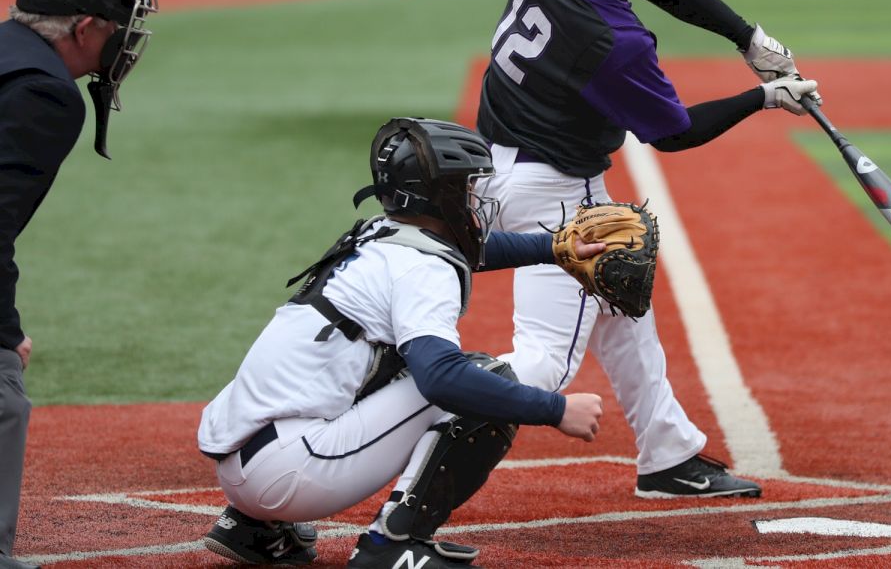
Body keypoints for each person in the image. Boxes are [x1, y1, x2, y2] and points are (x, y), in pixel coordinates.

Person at [475, 0, 820, 499]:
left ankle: (667, 453)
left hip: (493, 163)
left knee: (623, 305)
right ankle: (409, 411)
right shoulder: (614, 42)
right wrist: (765, 97)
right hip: (556, 191)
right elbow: (673, 133)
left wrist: (745, 36)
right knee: (543, 364)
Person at [197, 117, 607, 569]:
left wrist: (555, 248)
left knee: (392, 362)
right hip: (293, 472)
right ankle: (393, 542)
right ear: (443, 195)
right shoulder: (422, 270)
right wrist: (556, 410)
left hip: (244, 464)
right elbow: (442, 380)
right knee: (478, 379)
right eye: (469, 187)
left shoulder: (380, 233)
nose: (477, 198)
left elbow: (474, 250)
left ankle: (255, 529)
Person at [0, 0, 158, 569]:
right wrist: (4, 333)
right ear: (86, 28)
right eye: (120, 28)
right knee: (3, 397)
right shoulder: (43, 92)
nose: (126, 42)